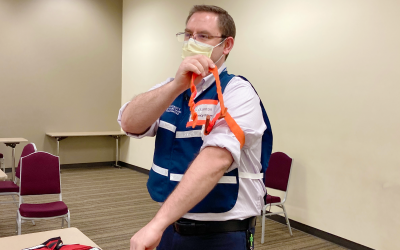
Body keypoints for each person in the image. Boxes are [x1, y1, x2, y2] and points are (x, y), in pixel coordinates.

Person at [118, 5, 272, 250]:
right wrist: (175, 86)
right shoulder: (173, 88)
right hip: (171, 225)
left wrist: (156, 224)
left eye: (203, 36)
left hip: (222, 233)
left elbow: (215, 161)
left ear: (227, 45)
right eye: (188, 34)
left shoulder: (238, 93)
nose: (192, 41)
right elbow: (129, 122)